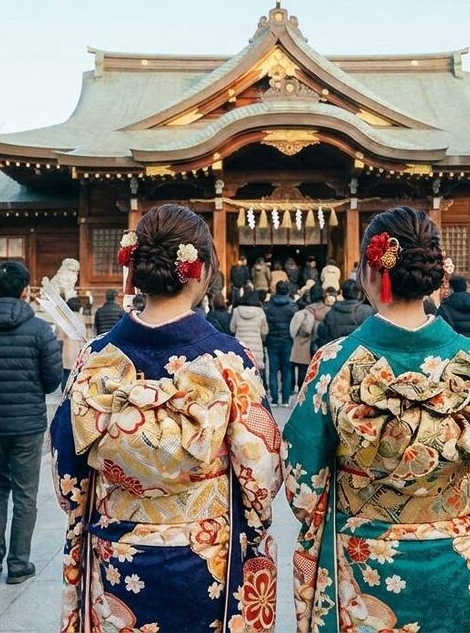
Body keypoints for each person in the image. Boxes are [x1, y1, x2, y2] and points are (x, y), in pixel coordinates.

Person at [283, 206, 470, 631]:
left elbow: (302, 481)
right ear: (436, 275)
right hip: (456, 557)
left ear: (370, 274)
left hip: (362, 557)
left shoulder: (335, 362)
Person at [49, 203, 282, 633]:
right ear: (201, 271)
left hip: (118, 548)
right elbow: (261, 474)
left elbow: (68, 473)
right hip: (206, 555)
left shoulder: (97, 358)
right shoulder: (228, 360)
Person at [0, 261, 63, 584]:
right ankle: (18, 563)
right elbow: (52, 380)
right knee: (25, 493)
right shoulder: (39, 330)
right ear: (25, 291)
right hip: (27, 423)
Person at [264, 280, 297, 406]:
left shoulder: (268, 306)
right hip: (287, 340)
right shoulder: (292, 307)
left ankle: (274, 398)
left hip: (272, 339)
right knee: (287, 370)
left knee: (273, 370)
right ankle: (285, 399)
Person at [315, 279, 372, 348]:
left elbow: (322, 334)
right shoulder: (366, 311)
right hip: (359, 354)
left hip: (337, 353)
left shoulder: (331, 312)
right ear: (359, 293)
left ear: (341, 293)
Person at [288, 290, 320, 400]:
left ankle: (292, 388)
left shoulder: (300, 314)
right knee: (303, 367)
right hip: (307, 343)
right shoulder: (315, 313)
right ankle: (301, 389)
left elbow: (293, 330)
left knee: (294, 365)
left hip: (298, 342)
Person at [231, 289, 268, 376]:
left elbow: (232, 329)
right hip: (256, 350)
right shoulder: (260, 312)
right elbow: (264, 331)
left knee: (241, 375)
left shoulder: (237, 311)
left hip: (240, 348)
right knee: (256, 378)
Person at [56, 299, 85, 391]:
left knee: (66, 374)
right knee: (76, 374)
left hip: (66, 349)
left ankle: (63, 393)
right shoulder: (79, 317)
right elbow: (83, 334)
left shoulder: (64, 318)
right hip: (77, 348)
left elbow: (59, 335)